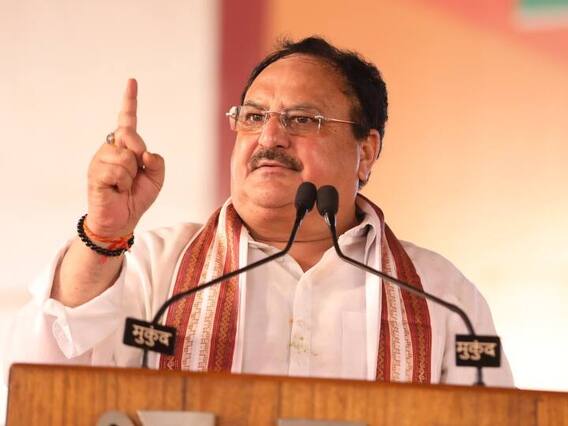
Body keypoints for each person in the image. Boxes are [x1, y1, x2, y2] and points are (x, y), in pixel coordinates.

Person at [3, 37, 513, 386]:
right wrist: (103, 232)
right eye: (252, 116)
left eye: (303, 120)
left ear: (367, 151)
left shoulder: (441, 297)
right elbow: (44, 377)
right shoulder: (156, 269)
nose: (269, 137)